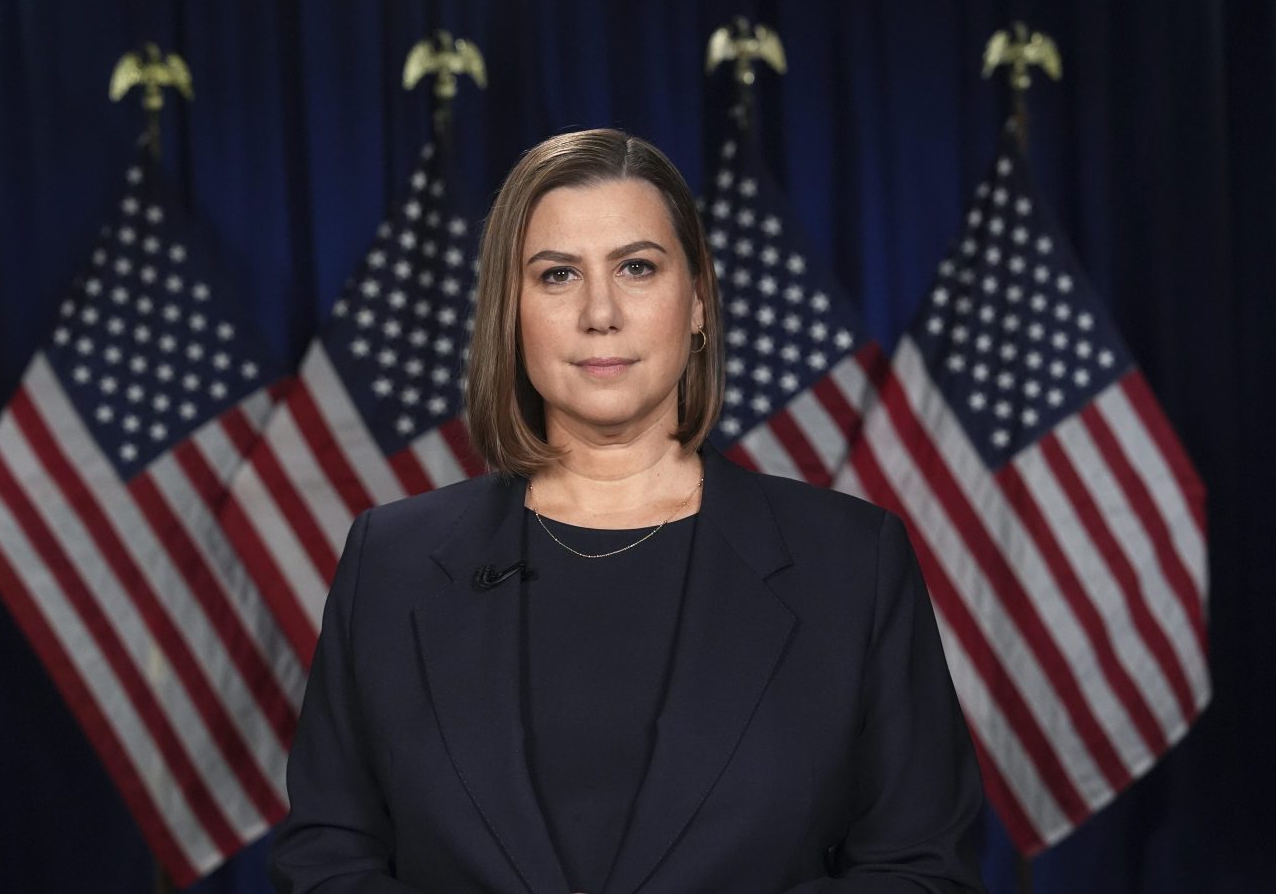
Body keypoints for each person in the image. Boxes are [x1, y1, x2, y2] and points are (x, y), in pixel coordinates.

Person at [269, 129, 987, 894]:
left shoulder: (850, 562)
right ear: (510, 313)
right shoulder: (392, 561)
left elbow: (922, 870)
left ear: (698, 299)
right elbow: (326, 861)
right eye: (557, 275)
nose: (600, 312)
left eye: (637, 267)